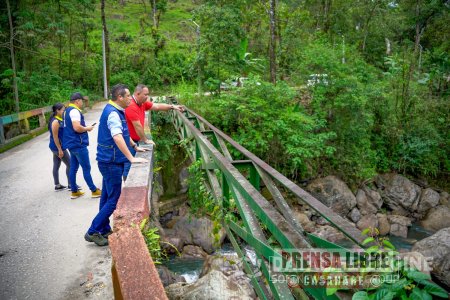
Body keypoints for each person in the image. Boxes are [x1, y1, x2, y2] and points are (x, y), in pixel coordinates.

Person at [84, 84, 148, 246]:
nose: (130, 99)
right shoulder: (113, 113)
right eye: (127, 96)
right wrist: (131, 158)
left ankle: (103, 228)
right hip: (111, 162)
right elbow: (118, 137)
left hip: (109, 161)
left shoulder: (115, 110)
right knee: (114, 199)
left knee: (106, 196)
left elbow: (124, 133)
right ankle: (93, 231)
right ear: (119, 97)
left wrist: (134, 146)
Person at [123, 84, 184, 180]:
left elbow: (157, 106)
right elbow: (137, 126)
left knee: (131, 164)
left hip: (135, 141)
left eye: (148, 94)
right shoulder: (131, 106)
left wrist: (172, 106)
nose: (147, 97)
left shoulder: (142, 103)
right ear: (138, 93)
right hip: (129, 142)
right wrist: (145, 139)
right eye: (145, 94)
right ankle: (127, 187)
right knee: (128, 166)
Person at [63, 92, 101, 199]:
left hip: (71, 144)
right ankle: (94, 190)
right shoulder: (75, 111)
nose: (82, 103)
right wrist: (87, 128)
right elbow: (76, 127)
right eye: (82, 101)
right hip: (78, 144)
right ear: (77, 101)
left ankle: (74, 191)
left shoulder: (67, 111)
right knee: (86, 168)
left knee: (73, 168)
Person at [48, 103, 71, 191]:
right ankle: (71, 185)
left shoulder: (59, 119)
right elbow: (55, 137)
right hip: (58, 147)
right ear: (57, 110)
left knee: (56, 164)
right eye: (63, 110)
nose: (64, 111)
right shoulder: (55, 122)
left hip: (55, 146)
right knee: (70, 164)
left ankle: (57, 185)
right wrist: (60, 150)